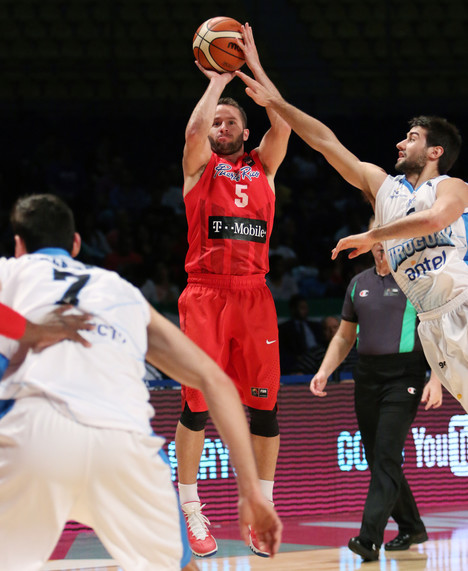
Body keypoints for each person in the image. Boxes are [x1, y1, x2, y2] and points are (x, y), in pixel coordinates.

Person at [0, 194, 282, 571]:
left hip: (34, 431)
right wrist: (251, 492)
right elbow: (215, 381)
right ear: (77, 244)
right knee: (180, 567)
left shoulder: (11, 272)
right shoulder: (119, 290)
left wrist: (28, 330)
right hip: (126, 442)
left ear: (18, 245)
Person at [235, 73, 468, 414]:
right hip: (430, 325)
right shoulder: (385, 188)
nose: (400, 144)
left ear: (435, 151)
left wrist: (372, 235)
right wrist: (277, 104)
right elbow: (324, 141)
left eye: (412, 138)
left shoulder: (452, 185)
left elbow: (435, 219)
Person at [175, 22, 291, 558]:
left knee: (263, 410)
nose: (220, 125)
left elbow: (284, 125)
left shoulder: (263, 169)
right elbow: (193, 135)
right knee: (197, 407)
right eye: (216, 122)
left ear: (245, 133)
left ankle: (261, 507)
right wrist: (218, 83)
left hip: (253, 296)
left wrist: (257, 72)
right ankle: (192, 510)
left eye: (230, 122)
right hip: (205, 294)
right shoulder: (200, 168)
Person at [310, 231, 442, 561]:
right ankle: (412, 526)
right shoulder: (358, 284)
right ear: (371, 246)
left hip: (405, 376)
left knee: (385, 456)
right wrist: (324, 370)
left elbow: (437, 332)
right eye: (379, 249)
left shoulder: (416, 281)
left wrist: (436, 379)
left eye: (389, 248)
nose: (383, 254)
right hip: (367, 377)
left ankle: (369, 538)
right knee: (379, 459)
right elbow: (343, 337)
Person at [278, 294, 321, 374]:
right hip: (298, 365)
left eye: (306, 308)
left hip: (319, 360)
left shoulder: (316, 327)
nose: (305, 310)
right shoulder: (283, 329)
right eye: (302, 308)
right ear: (293, 309)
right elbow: (282, 352)